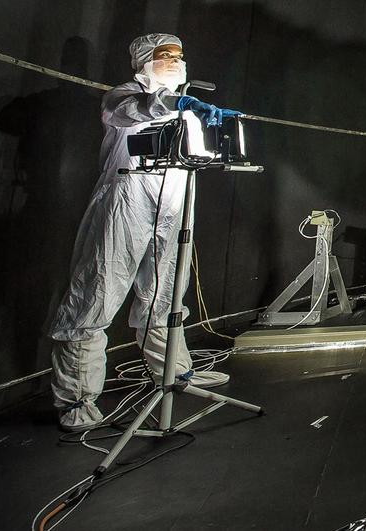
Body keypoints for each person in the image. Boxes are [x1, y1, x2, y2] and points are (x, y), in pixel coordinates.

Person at [47, 33, 239, 432]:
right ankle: (77, 399)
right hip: (125, 200)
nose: (175, 61)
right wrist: (178, 102)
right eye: (165, 55)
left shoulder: (187, 107)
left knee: (166, 293)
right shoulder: (125, 95)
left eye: (180, 55)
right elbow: (132, 113)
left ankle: (174, 370)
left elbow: (197, 155)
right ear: (143, 60)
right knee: (96, 292)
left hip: (171, 205)